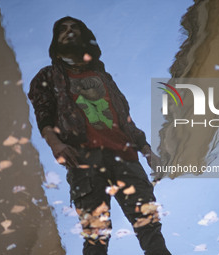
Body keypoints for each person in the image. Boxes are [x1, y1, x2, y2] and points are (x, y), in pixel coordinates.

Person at [28, 16, 170, 255]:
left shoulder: (104, 77)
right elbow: (44, 117)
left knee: (150, 228)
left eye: (75, 28)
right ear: (56, 39)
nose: (69, 31)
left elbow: (126, 120)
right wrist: (55, 144)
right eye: (63, 29)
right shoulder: (48, 76)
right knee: (96, 235)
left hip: (127, 159)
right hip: (84, 160)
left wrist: (148, 151)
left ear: (84, 36)